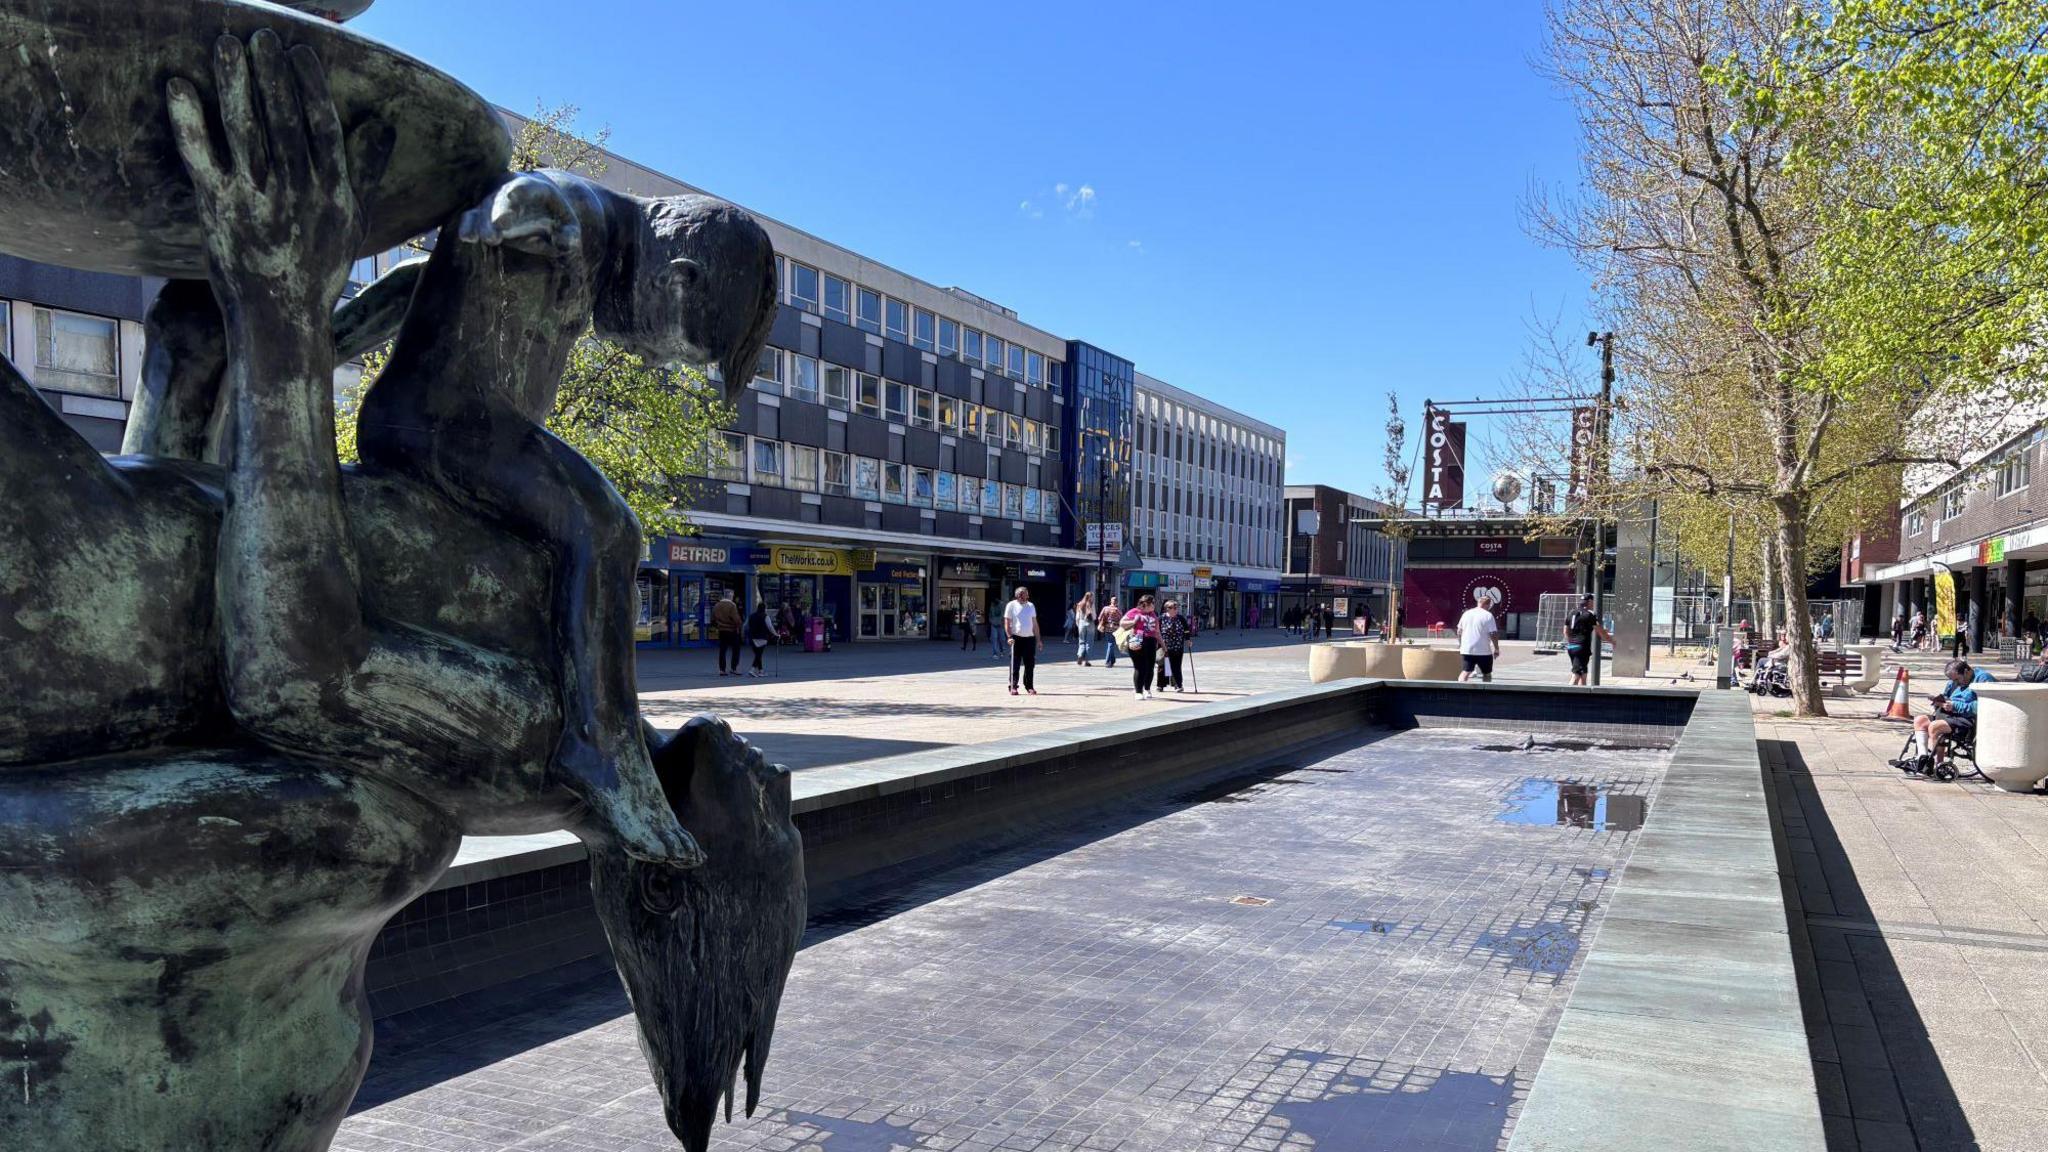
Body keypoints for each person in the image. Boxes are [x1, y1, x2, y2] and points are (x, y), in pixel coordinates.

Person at [1904, 659, 1994, 770]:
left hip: (1967, 719)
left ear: (1966, 671)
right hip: (1948, 715)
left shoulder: (1983, 678)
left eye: (1957, 679)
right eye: (1953, 680)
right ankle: (1922, 757)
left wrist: (1955, 706)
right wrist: (1940, 701)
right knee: (1920, 720)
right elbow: (1947, 696)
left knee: (1935, 726)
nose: (1956, 683)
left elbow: (1985, 704)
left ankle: (1938, 765)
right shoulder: (1954, 682)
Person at [1562, 594, 1613, 686]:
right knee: (1576, 675)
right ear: (1589, 602)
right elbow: (1600, 631)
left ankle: (1583, 697)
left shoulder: (1571, 612)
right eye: (1592, 602)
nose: (1593, 604)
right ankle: (1566, 697)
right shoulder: (1590, 615)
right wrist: (1611, 641)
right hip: (1582, 647)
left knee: (1583, 674)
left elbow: (1565, 631)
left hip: (1572, 647)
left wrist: (1571, 641)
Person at [1457, 590, 1501, 683]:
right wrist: (1496, 649)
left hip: (1467, 649)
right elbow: (1493, 633)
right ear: (1488, 605)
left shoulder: (1466, 614)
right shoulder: (1488, 615)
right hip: (1483, 650)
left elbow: (1459, 631)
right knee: (1487, 673)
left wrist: (1461, 644)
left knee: (1466, 671)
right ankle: (1486, 692)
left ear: (1478, 603)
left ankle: (1460, 690)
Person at [1003, 586, 1040, 695]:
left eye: (1027, 594)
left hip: (1029, 638)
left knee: (1030, 664)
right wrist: (1009, 637)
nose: (1027, 596)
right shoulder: (1011, 605)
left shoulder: (1031, 606)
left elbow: (1035, 624)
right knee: (1015, 664)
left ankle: (1029, 686)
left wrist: (1038, 640)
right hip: (1016, 638)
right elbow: (1007, 623)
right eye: (1025, 594)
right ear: (1019, 595)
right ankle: (1013, 686)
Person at [1123, 593, 1161, 699]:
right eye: (1152, 603)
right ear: (1145, 604)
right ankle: (1138, 692)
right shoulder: (1134, 612)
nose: (1154, 605)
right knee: (1140, 667)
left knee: (1150, 667)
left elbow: (1157, 632)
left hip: (1151, 642)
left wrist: (1163, 645)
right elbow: (1122, 623)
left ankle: (1147, 689)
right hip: (1137, 640)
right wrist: (1134, 621)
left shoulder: (1153, 614)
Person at [1156, 599, 1191, 692]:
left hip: (1177, 646)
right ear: (1167, 609)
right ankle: (1161, 685)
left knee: (1176, 666)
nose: (1176, 609)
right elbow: (1157, 631)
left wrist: (1188, 639)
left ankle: (1178, 684)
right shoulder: (1161, 618)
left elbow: (1186, 629)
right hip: (1164, 646)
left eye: (1176, 607)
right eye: (1173, 608)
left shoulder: (1180, 618)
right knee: (1163, 666)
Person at [711, 588, 744, 677]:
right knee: (736, 649)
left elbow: (713, 619)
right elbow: (736, 619)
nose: (733, 597)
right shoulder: (732, 605)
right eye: (732, 595)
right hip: (732, 630)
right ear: (730, 596)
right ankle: (734, 668)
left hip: (722, 631)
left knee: (722, 650)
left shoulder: (717, 605)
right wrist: (740, 626)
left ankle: (722, 670)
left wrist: (718, 626)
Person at [745, 599, 774, 677]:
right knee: (759, 655)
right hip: (762, 638)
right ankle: (752, 669)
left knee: (758, 654)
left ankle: (761, 671)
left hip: (752, 638)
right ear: (764, 608)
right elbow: (770, 627)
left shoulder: (751, 616)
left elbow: (746, 626)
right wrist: (776, 634)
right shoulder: (765, 616)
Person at [1098, 598, 1124, 667]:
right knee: (1111, 644)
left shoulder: (1105, 608)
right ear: (1117, 602)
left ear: (1110, 601)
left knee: (1110, 643)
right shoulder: (1117, 610)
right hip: (1115, 629)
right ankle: (1107, 661)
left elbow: (1099, 617)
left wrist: (1103, 623)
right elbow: (1122, 619)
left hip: (1106, 628)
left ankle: (1112, 660)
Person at [1074, 592, 1096, 666]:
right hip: (1089, 623)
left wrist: (1078, 624)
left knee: (1081, 641)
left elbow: (1077, 617)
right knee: (1089, 642)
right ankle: (1086, 661)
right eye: (1092, 597)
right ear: (1091, 597)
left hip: (1081, 623)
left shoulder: (1080, 604)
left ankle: (1080, 655)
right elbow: (1094, 616)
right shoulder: (1091, 604)